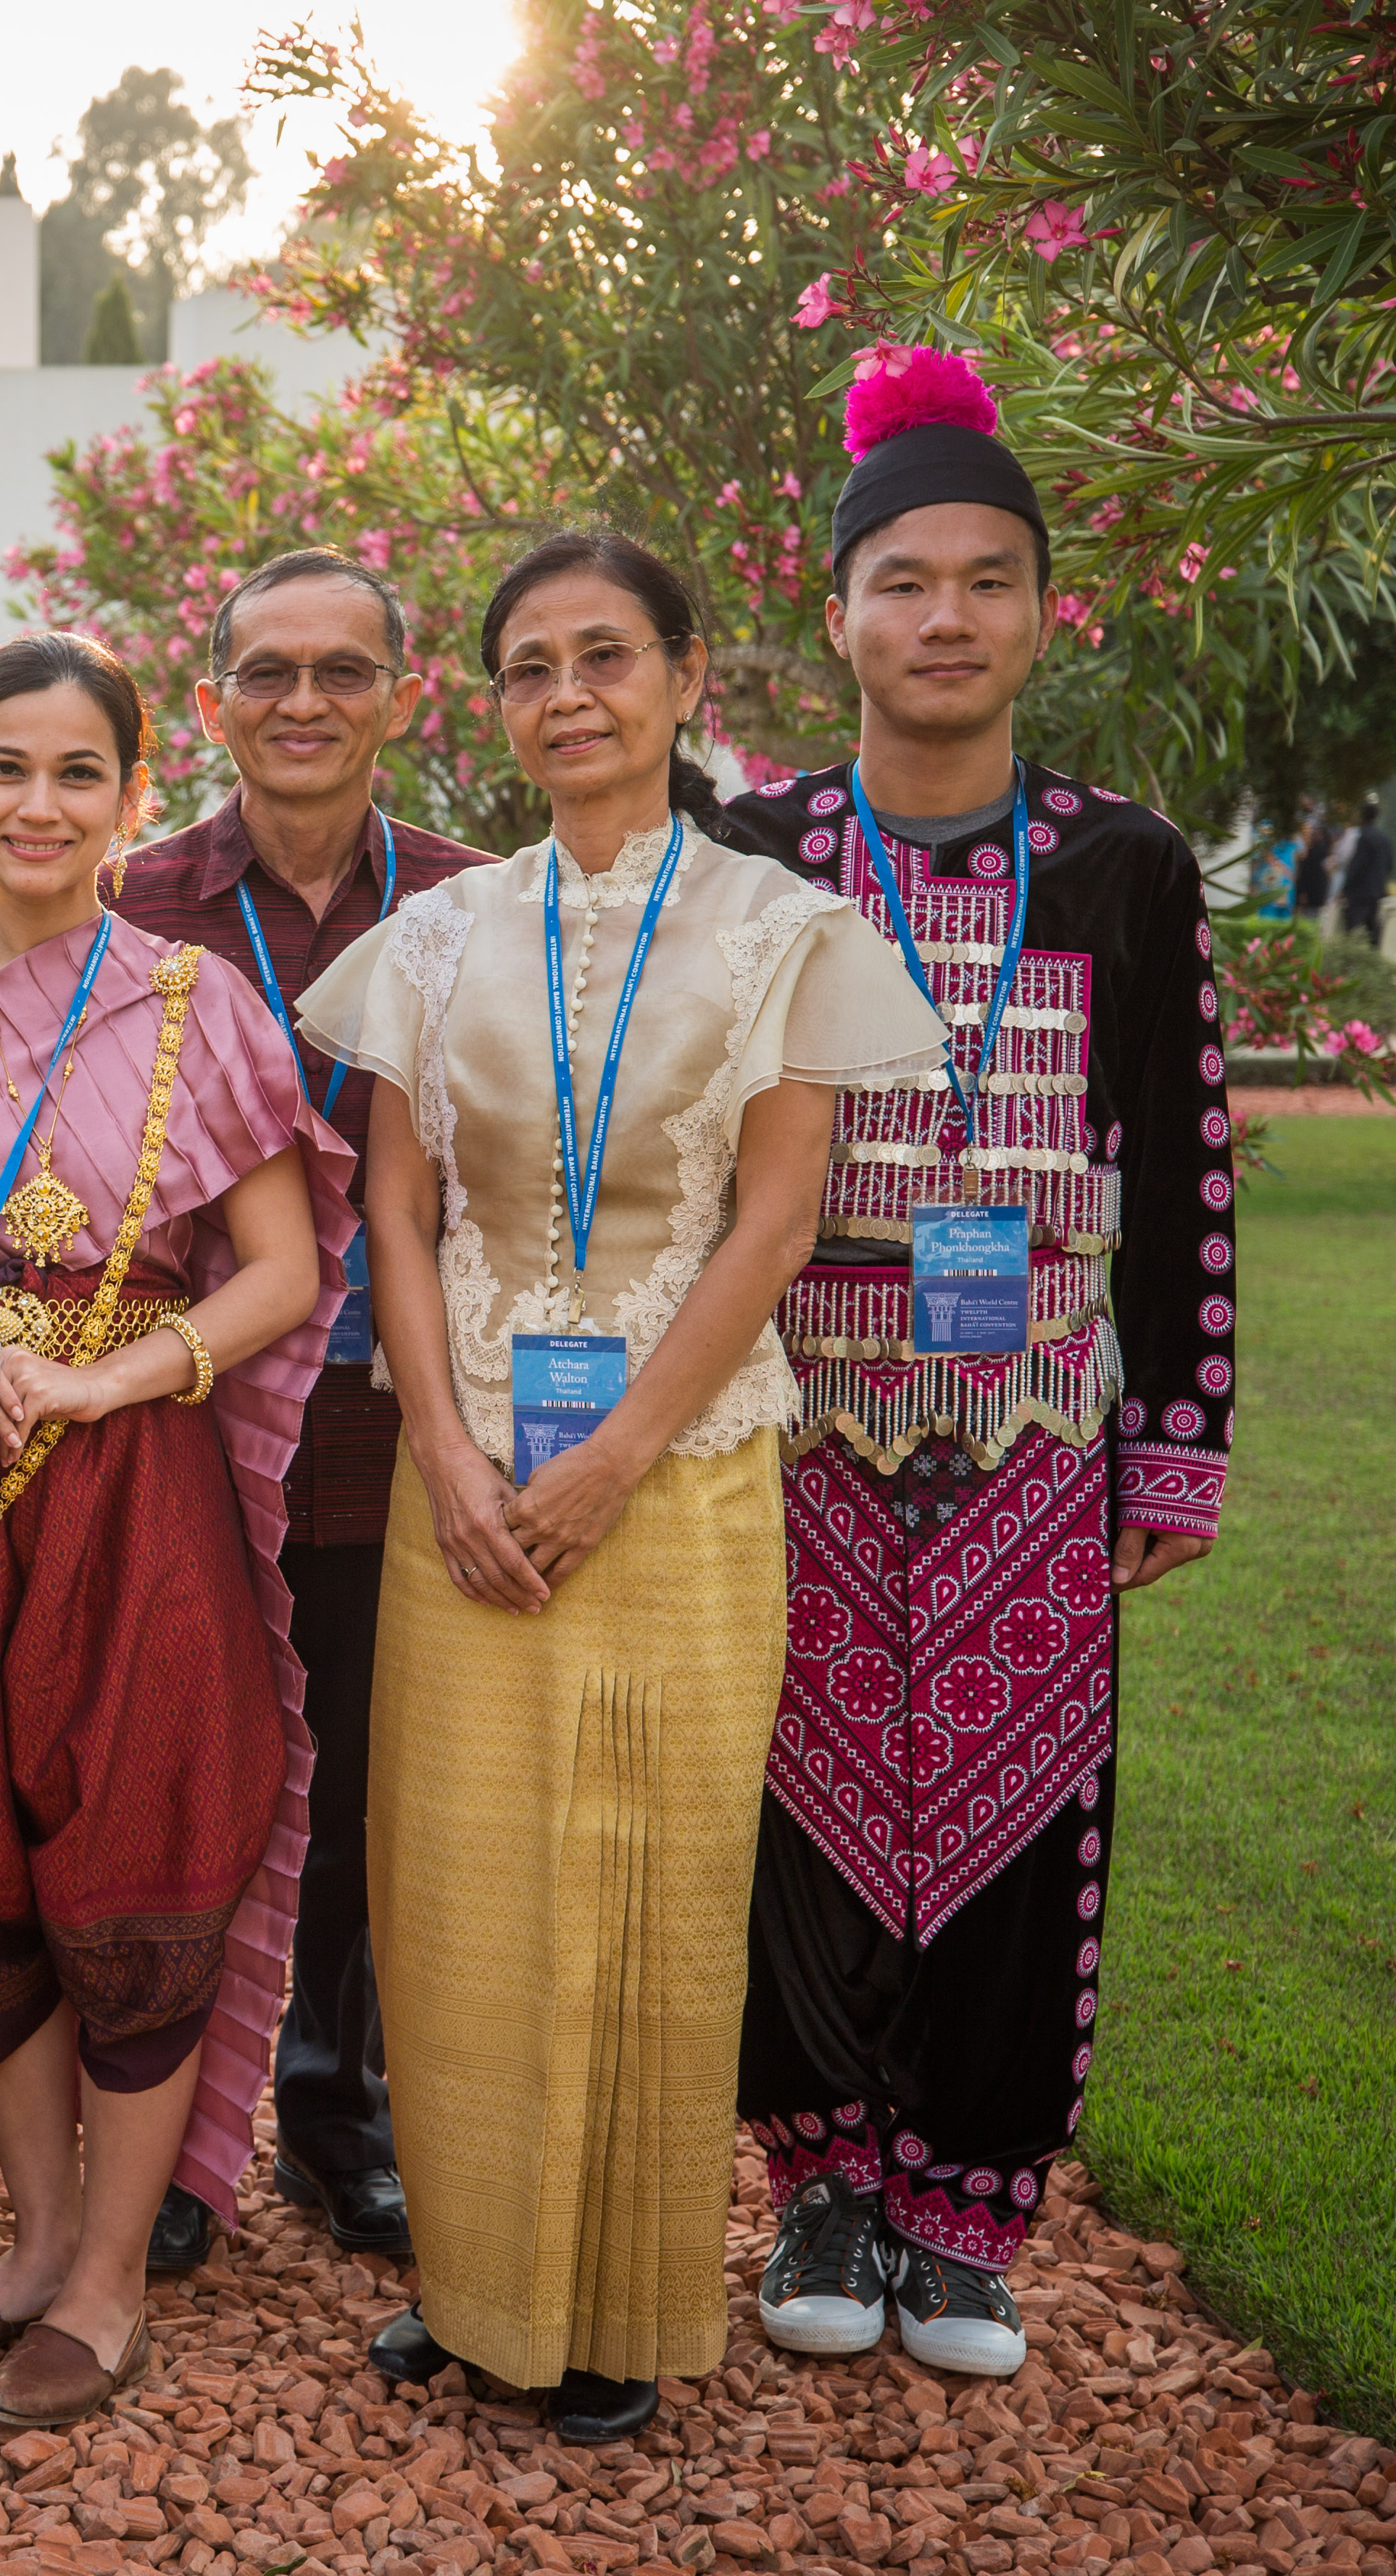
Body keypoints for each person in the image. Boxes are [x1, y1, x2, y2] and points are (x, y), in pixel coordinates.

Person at [294, 531, 939, 2445]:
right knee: (462, 1889)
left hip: (683, 1466)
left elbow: (782, 1215)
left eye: (604, 655)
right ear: (493, 708)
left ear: (684, 675)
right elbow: (396, 1214)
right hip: (466, 1470)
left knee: (647, 1889)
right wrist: (445, 1446)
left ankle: (610, 2315)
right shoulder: (431, 937)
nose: (567, 694)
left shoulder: (779, 929)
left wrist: (616, 1457)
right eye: (528, 666)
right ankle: (473, 2286)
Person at [718, 346, 1237, 2382]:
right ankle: (821, 2185)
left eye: (987, 580)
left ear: (1040, 612)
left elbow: (1188, 1168)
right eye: (904, 579)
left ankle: (967, 2210)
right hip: (791, 1431)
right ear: (835, 610)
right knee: (799, 1809)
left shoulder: (1125, 866)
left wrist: (1173, 1444)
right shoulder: (752, 853)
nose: (945, 617)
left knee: (1025, 1821)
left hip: (1032, 1433)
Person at [0, 631, 341, 2428]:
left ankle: (111, 2273)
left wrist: (117, 1382)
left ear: (130, 798)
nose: (34, 803)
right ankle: (31, 2236)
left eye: (72, 772)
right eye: (0, 768)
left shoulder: (201, 1003)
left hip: (130, 1487)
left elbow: (281, 1265)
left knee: (129, 1853)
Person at [105, 547, 489, 2277]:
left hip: (399, 1419)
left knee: (365, 1781)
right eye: (266, 671)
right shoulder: (133, 899)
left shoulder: (480, 902)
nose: (302, 702)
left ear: (395, 694)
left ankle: (337, 2112)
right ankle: (169, 2148)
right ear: (213, 701)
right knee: (183, 1778)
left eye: (341, 670)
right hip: (180, 1413)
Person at [1333, 800, 1394, 949]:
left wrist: (1345, 888)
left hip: (1360, 893)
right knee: (1372, 929)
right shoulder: (1383, 838)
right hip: (1376, 892)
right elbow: (1389, 864)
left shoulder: (1364, 837)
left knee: (1353, 929)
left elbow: (1357, 865)